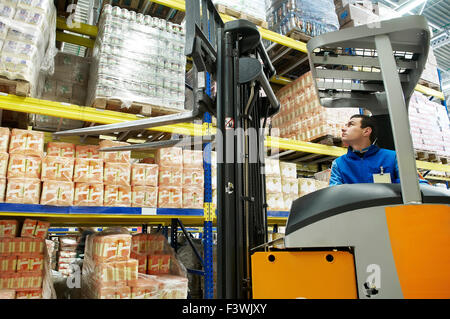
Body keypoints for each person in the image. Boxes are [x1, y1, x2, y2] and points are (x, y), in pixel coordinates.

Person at [329, 114, 424, 186]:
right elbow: (334, 197)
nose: (343, 129)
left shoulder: (393, 157)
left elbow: (416, 186)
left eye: (350, 125)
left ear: (366, 131)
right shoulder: (338, 164)